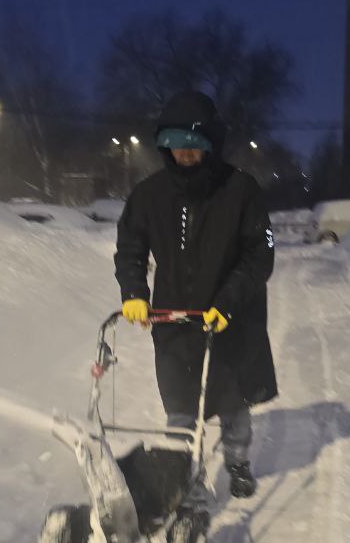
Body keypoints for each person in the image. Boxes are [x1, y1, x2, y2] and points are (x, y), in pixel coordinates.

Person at [114, 89, 277, 499]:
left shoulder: (240, 191)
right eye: (176, 146)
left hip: (229, 318)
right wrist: (135, 291)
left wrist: (228, 301)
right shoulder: (149, 196)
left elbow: (260, 255)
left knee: (232, 401)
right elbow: (130, 246)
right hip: (174, 321)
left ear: (210, 145)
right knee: (179, 404)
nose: (185, 154)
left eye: (194, 146)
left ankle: (237, 462)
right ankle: (181, 470)